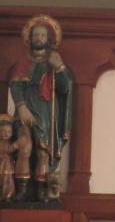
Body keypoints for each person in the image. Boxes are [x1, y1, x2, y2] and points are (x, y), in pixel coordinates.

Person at [10, 14, 73, 202]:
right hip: (25, 110)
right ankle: (21, 190)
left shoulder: (54, 60)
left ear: (49, 39)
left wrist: (59, 67)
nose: (39, 38)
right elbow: (16, 86)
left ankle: (41, 190)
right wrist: (21, 107)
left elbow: (64, 87)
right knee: (24, 145)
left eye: (43, 35)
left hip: (45, 111)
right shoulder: (23, 61)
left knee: (43, 151)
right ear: (29, 38)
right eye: (36, 34)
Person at [0, 114, 18, 202]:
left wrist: (15, 145)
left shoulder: (10, 143)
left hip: (7, 165)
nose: (6, 133)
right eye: (3, 131)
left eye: (9, 131)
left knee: (8, 180)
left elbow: (11, 149)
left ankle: (7, 195)